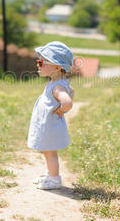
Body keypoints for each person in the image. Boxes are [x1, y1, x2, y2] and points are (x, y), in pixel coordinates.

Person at [27, 41, 75, 190]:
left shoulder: (57, 87)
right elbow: (71, 91)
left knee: (50, 152)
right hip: (49, 126)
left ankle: (54, 179)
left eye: (41, 62)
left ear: (56, 66)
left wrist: (62, 110)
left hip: (50, 126)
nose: (38, 65)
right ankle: (50, 174)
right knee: (48, 151)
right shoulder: (60, 83)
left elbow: (67, 101)